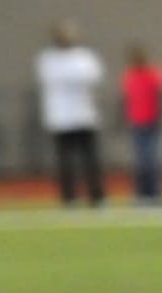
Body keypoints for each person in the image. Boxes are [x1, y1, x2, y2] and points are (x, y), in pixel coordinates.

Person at [35, 19, 106, 206]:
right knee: (66, 160)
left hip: (84, 115)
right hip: (62, 118)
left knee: (90, 159)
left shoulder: (84, 56)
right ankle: (69, 196)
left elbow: (94, 77)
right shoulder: (48, 59)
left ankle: (96, 196)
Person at [120, 44, 162, 203]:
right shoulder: (129, 76)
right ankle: (142, 193)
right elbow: (127, 100)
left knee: (151, 160)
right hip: (137, 122)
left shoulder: (154, 74)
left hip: (152, 121)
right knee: (141, 161)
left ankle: (155, 193)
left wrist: (161, 115)